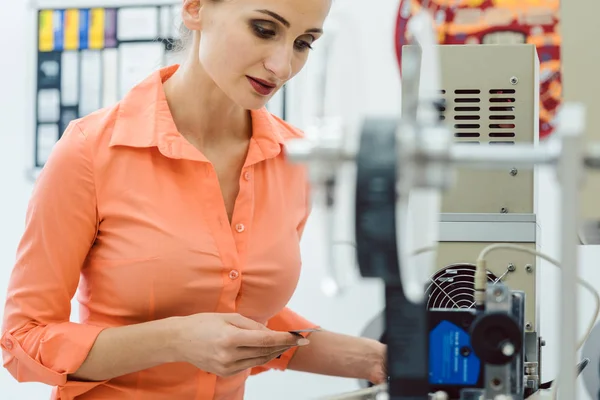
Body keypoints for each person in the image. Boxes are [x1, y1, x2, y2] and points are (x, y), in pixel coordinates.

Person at [1, 0, 387, 399]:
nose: (282, 66)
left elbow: (246, 320)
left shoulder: (295, 159)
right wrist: (176, 339)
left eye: (303, 43)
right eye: (264, 29)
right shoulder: (89, 152)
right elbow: (23, 340)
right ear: (195, 8)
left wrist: (375, 359)